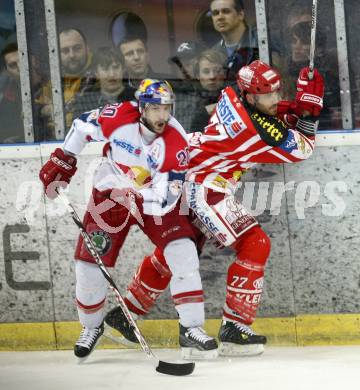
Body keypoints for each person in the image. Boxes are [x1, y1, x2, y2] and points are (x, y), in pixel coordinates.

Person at [104, 60, 325, 357]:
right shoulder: (252, 132)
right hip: (203, 187)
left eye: (276, 92)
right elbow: (302, 149)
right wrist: (309, 108)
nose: (274, 99)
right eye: (268, 94)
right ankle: (234, 328)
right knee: (255, 243)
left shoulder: (231, 94)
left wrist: (292, 106)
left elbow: (270, 115)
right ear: (250, 96)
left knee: (180, 249)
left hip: (184, 173)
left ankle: (123, 317)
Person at [38, 79, 218, 360]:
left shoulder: (175, 141)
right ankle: (91, 328)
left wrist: (136, 198)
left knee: (183, 252)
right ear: (142, 107)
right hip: (110, 192)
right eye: (155, 109)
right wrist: (64, 157)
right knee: (88, 266)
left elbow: (165, 199)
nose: (162, 116)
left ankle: (190, 329)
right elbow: (83, 125)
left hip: (153, 201)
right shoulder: (119, 116)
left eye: (166, 108)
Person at [36, 28, 95, 134]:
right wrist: (44, 110)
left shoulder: (99, 75)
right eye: (65, 51)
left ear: (87, 48)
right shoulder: (52, 77)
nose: (72, 55)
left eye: (77, 48)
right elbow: (29, 109)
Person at [71, 47, 136, 118]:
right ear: (96, 72)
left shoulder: (136, 97)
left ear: (123, 69)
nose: (111, 74)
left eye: (116, 67)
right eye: (105, 69)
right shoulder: (85, 101)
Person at [210, 0, 258, 85]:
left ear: (241, 15)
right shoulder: (214, 52)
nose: (220, 17)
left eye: (226, 11)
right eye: (215, 13)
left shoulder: (260, 42)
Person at [190, 49, 227, 132]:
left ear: (224, 73)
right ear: (197, 75)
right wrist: (205, 112)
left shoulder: (236, 96)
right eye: (206, 71)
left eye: (217, 71)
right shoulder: (188, 100)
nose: (212, 76)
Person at [0, 42, 25, 143]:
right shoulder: (7, 99)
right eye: (12, 65)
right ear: (7, 71)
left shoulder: (50, 85)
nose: (20, 68)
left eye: (22, 61)